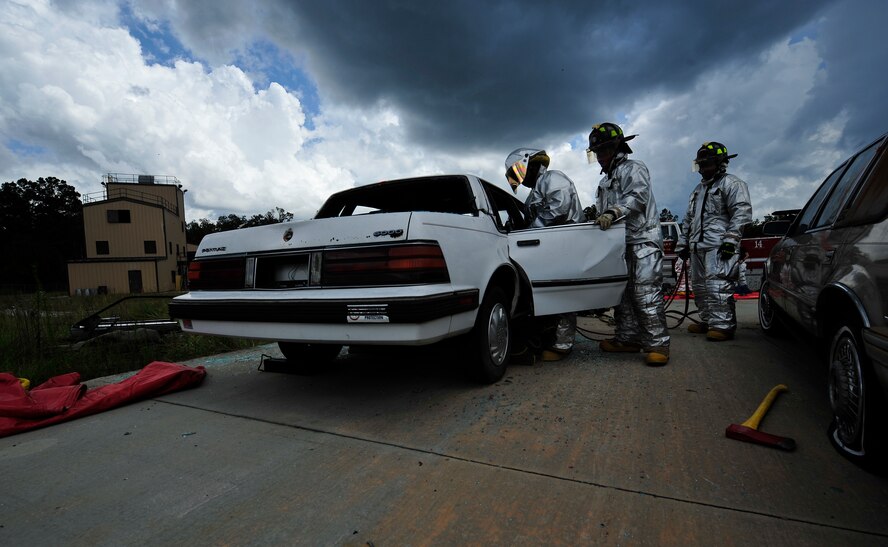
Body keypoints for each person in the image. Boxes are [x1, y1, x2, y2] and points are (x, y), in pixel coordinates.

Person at [587, 123, 670, 366]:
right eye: (595, 153)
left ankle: (658, 345)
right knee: (622, 294)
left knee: (645, 293)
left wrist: (613, 212)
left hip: (642, 240)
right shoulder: (606, 180)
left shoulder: (634, 168)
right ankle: (627, 339)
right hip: (619, 244)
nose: (599, 158)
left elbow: (637, 198)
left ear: (614, 148)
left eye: (601, 152)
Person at [505, 148, 584, 361]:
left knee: (563, 295)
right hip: (551, 247)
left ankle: (562, 344)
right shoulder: (535, 191)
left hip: (565, 243)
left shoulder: (553, 178)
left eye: (519, 174)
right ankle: (549, 338)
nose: (520, 181)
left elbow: (559, 208)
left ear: (527, 165)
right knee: (550, 295)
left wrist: (530, 230)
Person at [674, 142, 752, 341]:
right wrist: (683, 244)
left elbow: (741, 213)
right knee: (699, 287)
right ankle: (709, 320)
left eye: (707, 164)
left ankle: (723, 325)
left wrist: (731, 241)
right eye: (700, 165)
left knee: (718, 285)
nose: (702, 169)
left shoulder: (732, 184)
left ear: (720, 164)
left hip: (719, 246)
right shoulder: (698, 190)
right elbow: (689, 219)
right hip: (697, 247)